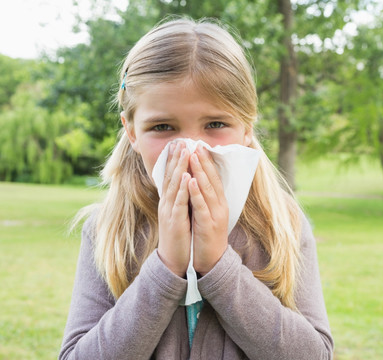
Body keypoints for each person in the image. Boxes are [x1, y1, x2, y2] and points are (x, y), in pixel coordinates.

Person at [59, 17, 333, 360]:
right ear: (131, 131)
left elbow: (315, 355)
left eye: (215, 124)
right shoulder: (107, 230)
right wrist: (165, 268)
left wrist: (219, 266)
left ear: (247, 127)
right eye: (162, 126)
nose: (191, 150)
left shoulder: (282, 224)